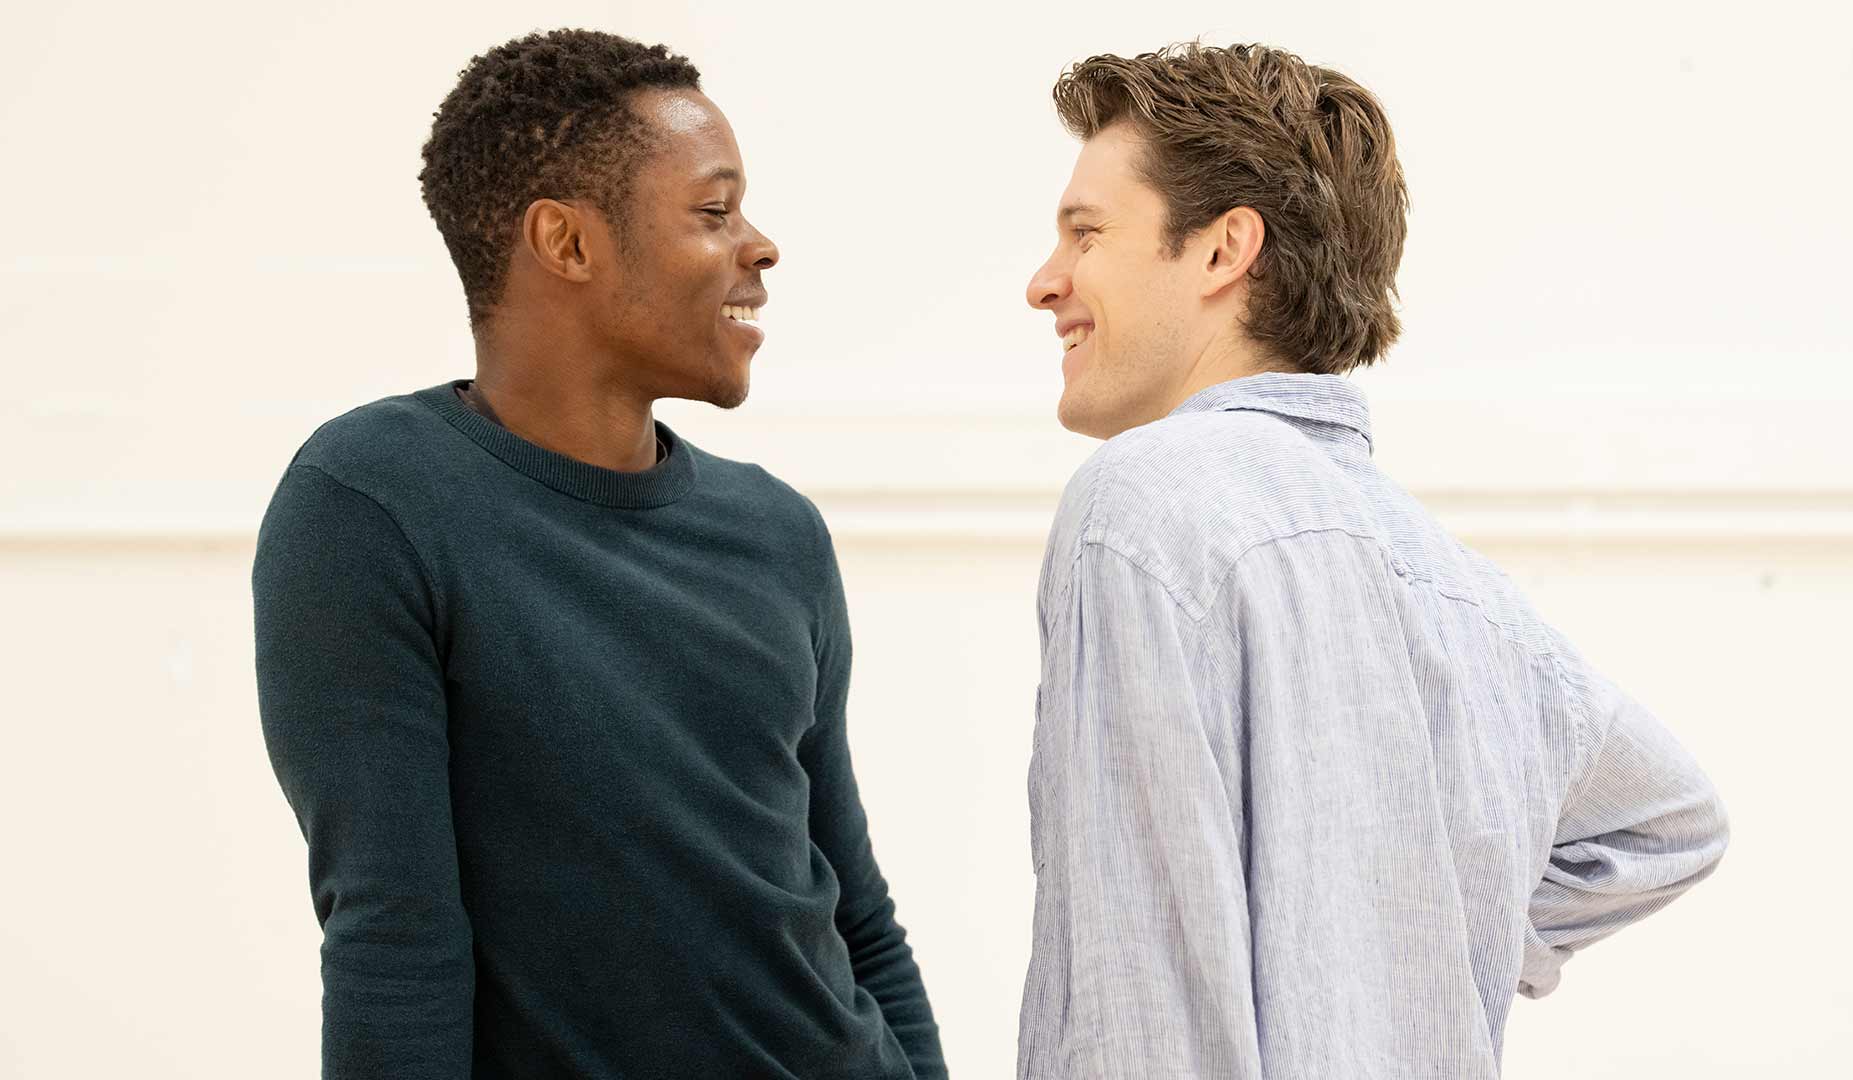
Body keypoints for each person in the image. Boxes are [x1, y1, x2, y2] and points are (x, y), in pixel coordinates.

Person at [1017, 43, 1729, 1078]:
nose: (1047, 282)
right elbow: (1669, 819)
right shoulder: (1458, 591)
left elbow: (1144, 1000)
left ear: (1224, 251)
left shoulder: (1146, 501)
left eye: (1086, 233)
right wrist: (1429, 943)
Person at [253, 29, 943, 1079]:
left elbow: (855, 911)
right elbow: (394, 943)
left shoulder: (777, 531)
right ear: (566, 243)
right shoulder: (370, 505)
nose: (759, 246)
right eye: (714, 212)